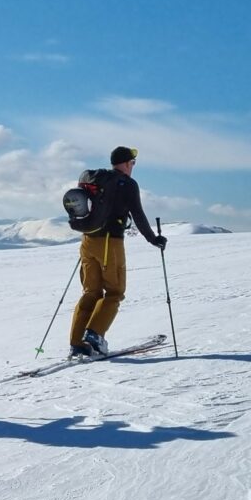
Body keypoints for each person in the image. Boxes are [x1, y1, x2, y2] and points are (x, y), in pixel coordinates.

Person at [68, 146, 166, 359]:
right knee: (114, 292)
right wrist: (153, 239)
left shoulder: (90, 177)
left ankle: (77, 344)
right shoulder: (127, 184)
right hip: (109, 243)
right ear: (126, 163)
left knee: (90, 292)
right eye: (132, 162)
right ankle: (94, 335)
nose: (133, 167)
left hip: (87, 241)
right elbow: (138, 215)